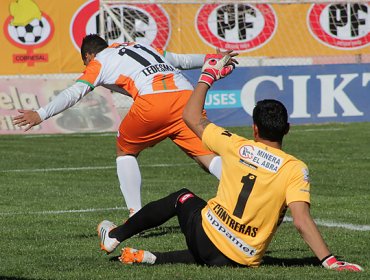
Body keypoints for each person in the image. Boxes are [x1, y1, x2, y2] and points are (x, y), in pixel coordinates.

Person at [96, 55, 363, 271]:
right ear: (287, 129)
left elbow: (190, 116)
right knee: (218, 250)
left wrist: (207, 77)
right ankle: (154, 258)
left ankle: (116, 235)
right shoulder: (295, 168)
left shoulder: (236, 145)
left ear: (255, 128)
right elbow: (302, 221)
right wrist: (329, 261)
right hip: (241, 259)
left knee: (182, 198)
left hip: (207, 239)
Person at [12, 34, 230, 217]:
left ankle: (136, 215)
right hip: (186, 96)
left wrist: (41, 113)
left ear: (88, 56)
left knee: (125, 150)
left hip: (154, 101)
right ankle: (246, 190)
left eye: (85, 62)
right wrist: (212, 58)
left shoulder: (99, 61)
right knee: (206, 157)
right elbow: (179, 60)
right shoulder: (140, 45)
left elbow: (74, 92)